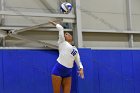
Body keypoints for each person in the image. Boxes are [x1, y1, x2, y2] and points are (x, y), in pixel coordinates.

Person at [50, 21, 84, 93]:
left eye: (69, 34)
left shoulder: (75, 49)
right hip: (58, 70)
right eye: (66, 34)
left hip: (68, 72)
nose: (67, 34)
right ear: (64, 37)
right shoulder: (62, 42)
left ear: (72, 38)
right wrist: (55, 23)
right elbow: (61, 29)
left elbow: (78, 60)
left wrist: (81, 69)